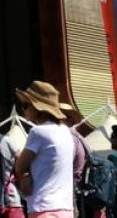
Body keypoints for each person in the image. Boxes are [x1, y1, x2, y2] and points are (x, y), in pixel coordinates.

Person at [12, 81, 75, 218]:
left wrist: (18, 156)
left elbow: (20, 168)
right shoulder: (66, 132)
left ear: (37, 108)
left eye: (26, 105)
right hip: (65, 208)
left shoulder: (38, 132)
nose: (24, 109)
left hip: (43, 207)